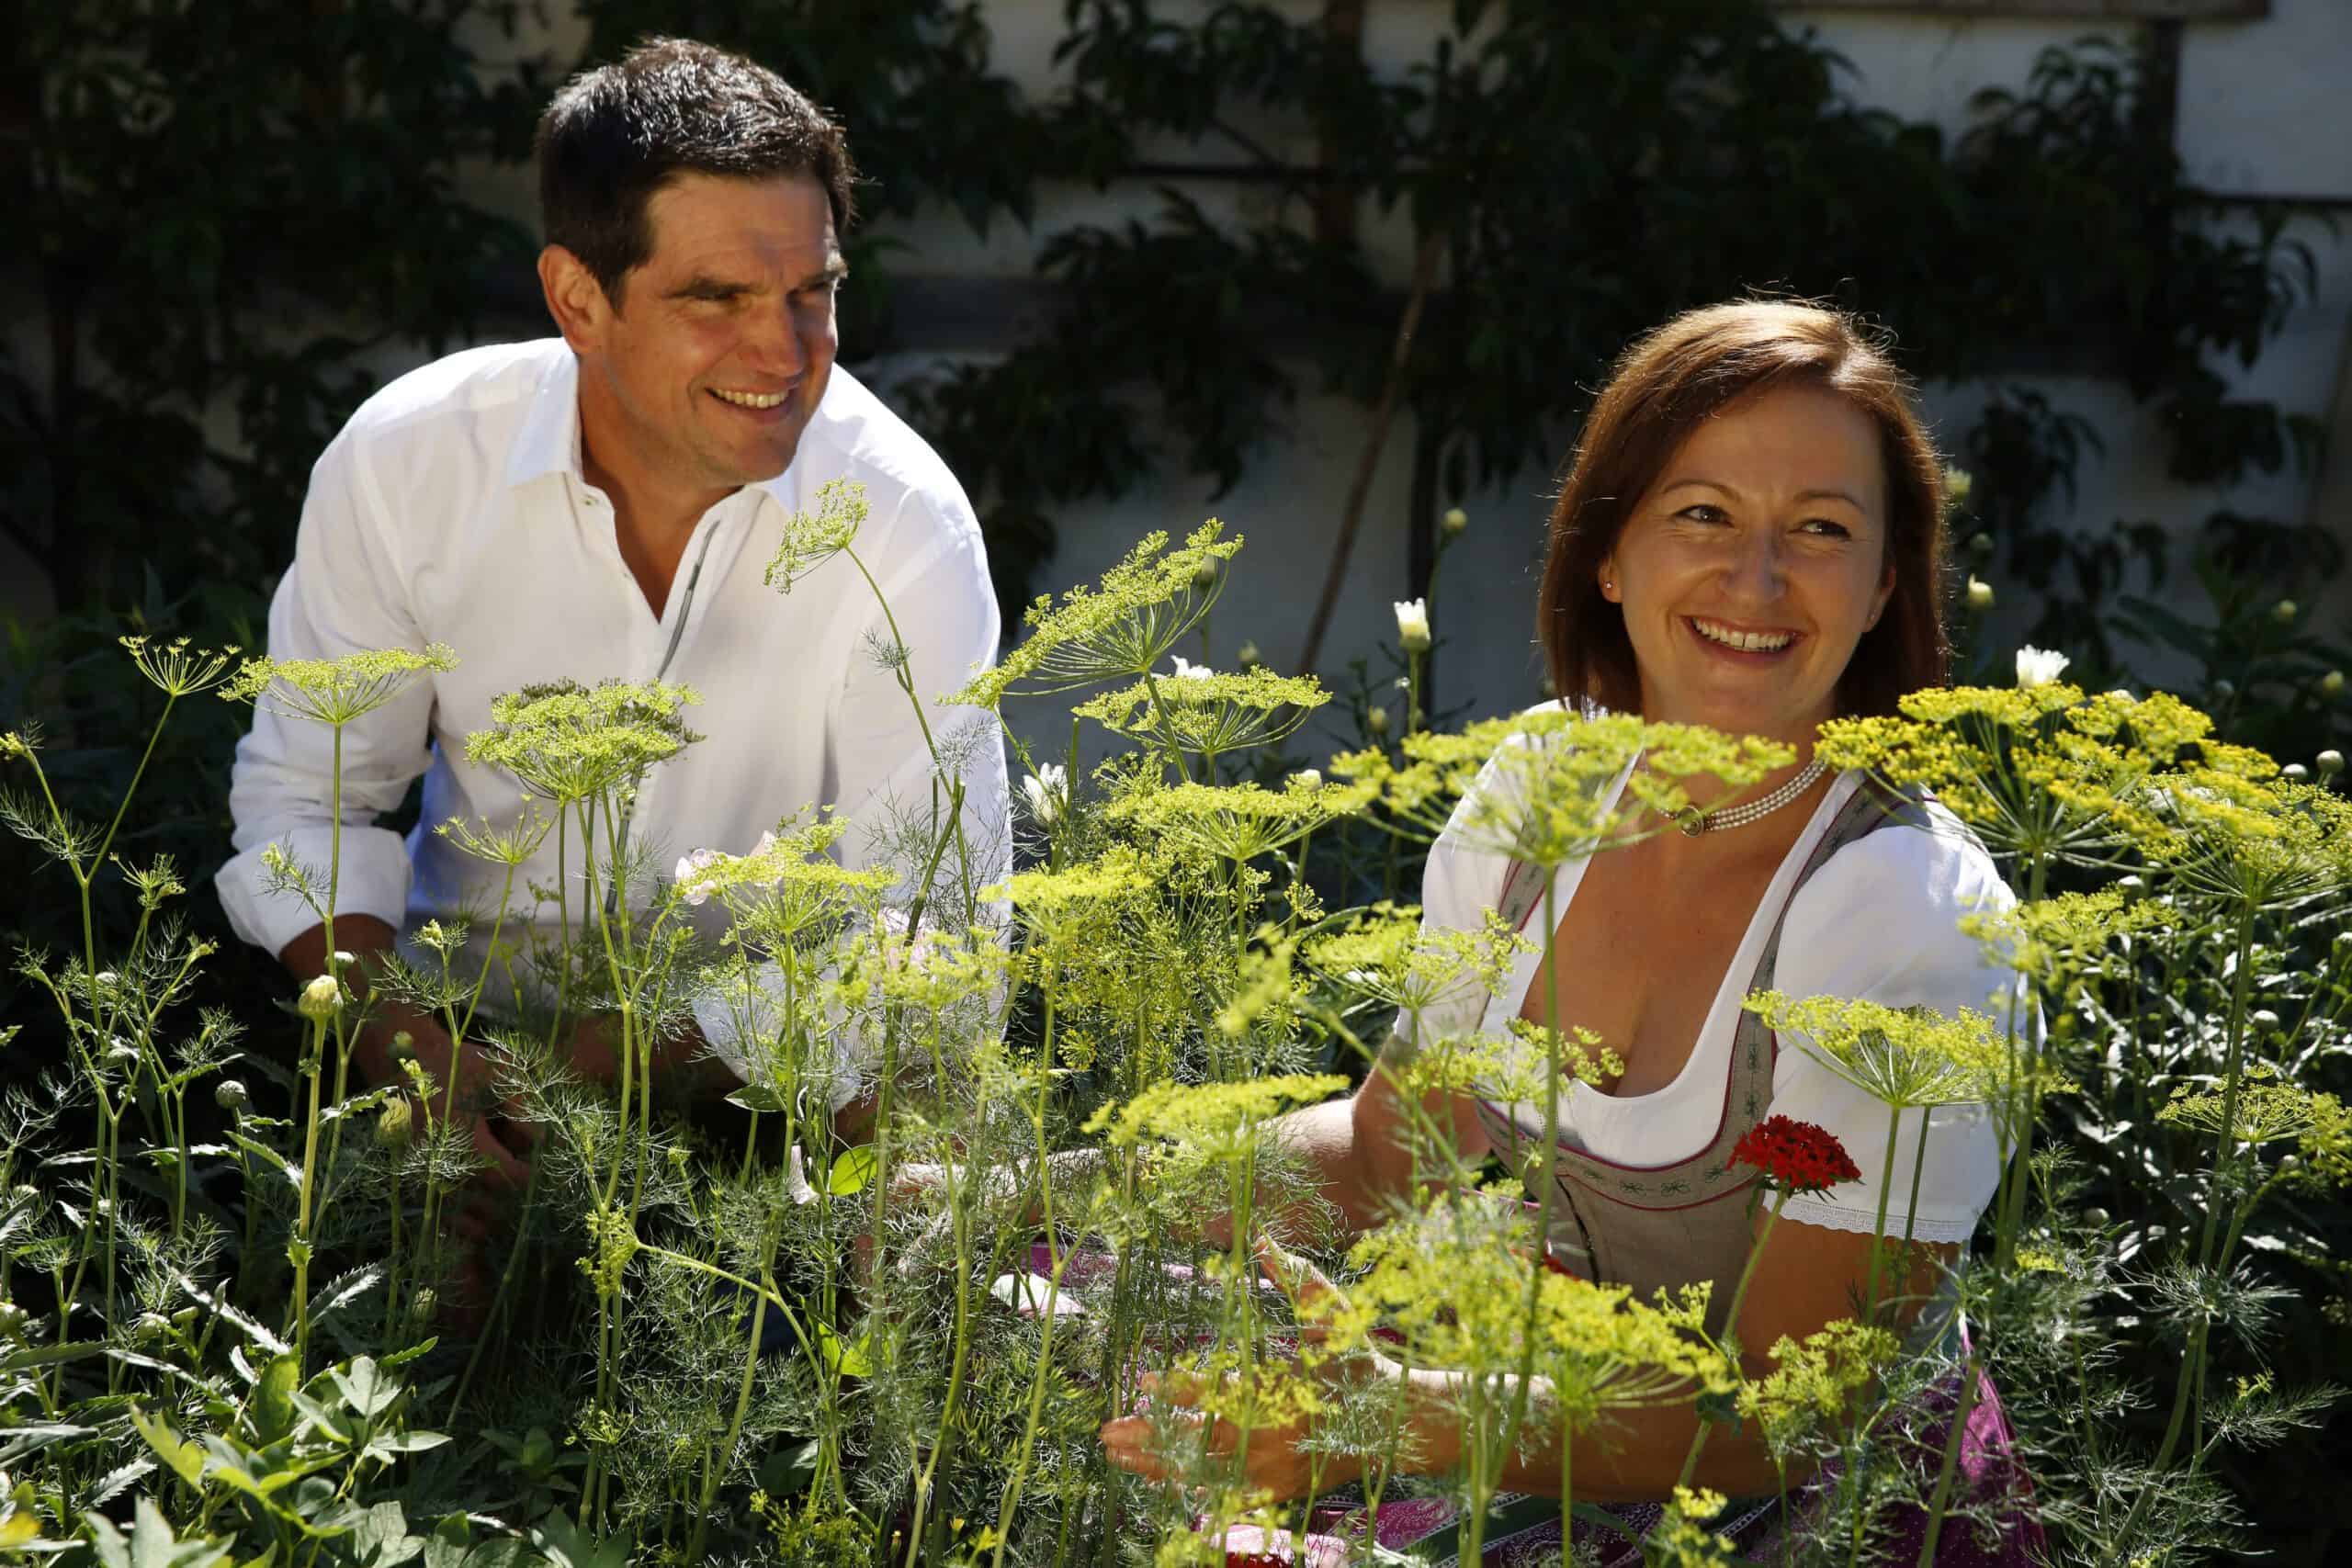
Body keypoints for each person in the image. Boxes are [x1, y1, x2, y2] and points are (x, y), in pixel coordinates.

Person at [1098, 301, 2042, 1563]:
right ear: (1609, 552)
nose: (1755, 580)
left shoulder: (1902, 915)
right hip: (1526, 1439)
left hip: (1807, 1517)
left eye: (1819, 530)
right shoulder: (1549, 782)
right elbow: (1392, 1156)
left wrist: (1404, 1415)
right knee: (1073, 1323)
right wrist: (1060, 1185)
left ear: (1882, 586)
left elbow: (1786, 1412)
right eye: (1702, 513)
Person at [216, 38, 1010, 1188]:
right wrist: (411, 1055)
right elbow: (305, 803)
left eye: (811, 292)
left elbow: (936, 940)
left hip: (769, 1108)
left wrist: (598, 1071)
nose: (784, 351)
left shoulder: (902, 523)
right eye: (717, 298)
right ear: (577, 299)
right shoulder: (410, 461)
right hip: (439, 1060)